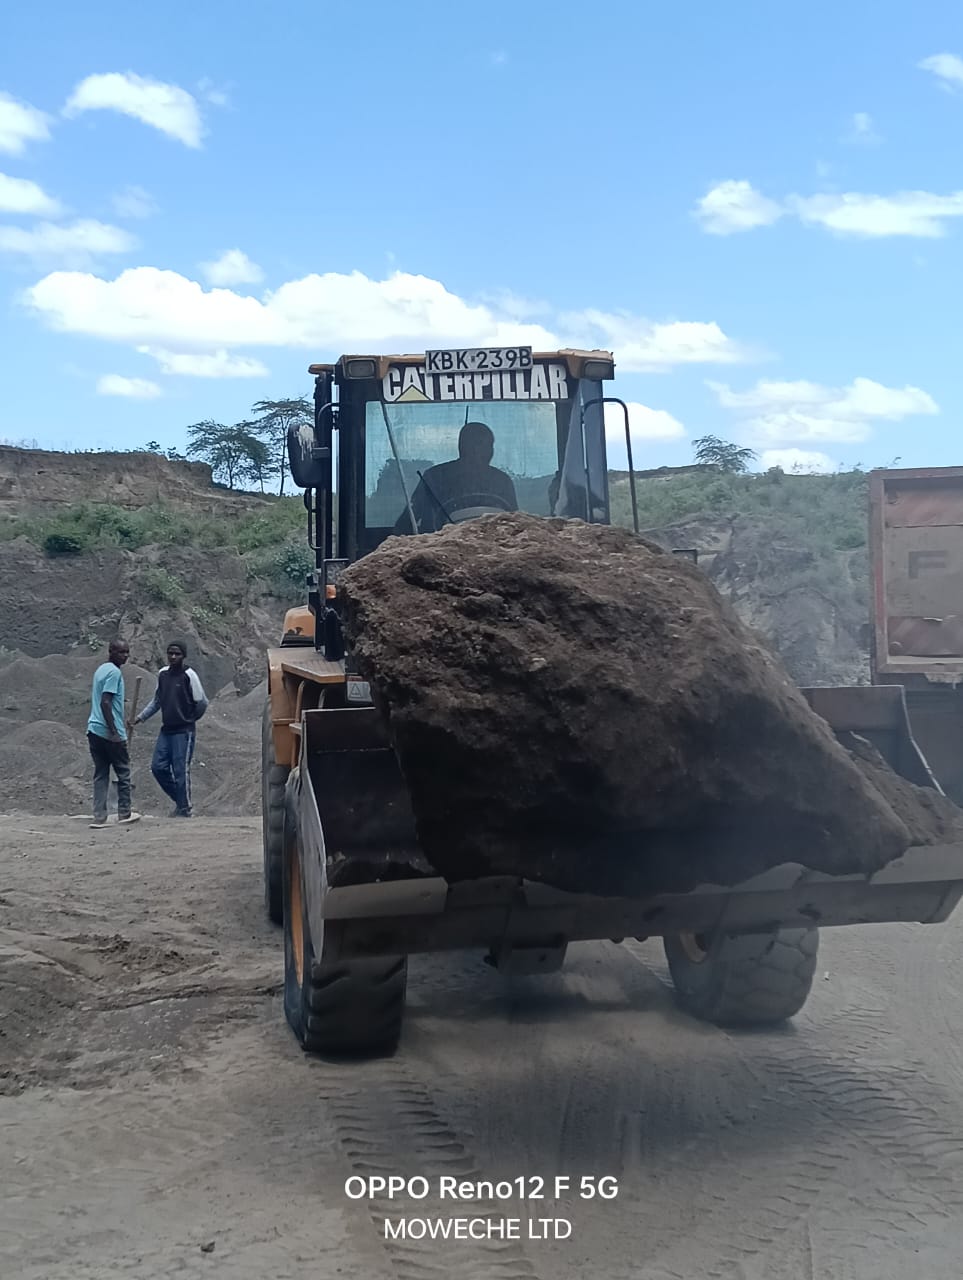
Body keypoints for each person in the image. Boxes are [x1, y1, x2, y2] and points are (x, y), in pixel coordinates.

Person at [393, 421, 518, 534]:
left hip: (496, 549)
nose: (480, 451)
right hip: (438, 548)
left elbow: (516, 524)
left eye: (487, 445)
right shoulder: (434, 478)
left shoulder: (502, 481)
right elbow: (405, 524)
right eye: (475, 444)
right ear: (461, 446)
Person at [134, 640, 209, 818]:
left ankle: (184, 809)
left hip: (184, 731)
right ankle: (182, 802)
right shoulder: (163, 675)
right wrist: (140, 717)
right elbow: (157, 701)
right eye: (170, 653)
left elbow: (202, 702)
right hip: (166, 730)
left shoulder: (189, 675)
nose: (173, 657)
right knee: (157, 767)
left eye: (177, 654)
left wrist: (190, 718)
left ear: (184, 656)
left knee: (180, 770)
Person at [87, 638, 140, 829]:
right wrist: (114, 731)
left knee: (101, 773)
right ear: (110, 652)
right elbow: (105, 702)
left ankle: (99, 815)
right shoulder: (114, 673)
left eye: (127, 652)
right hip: (108, 732)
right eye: (120, 652)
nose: (125, 656)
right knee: (123, 771)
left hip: (93, 730)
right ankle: (124, 812)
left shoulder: (101, 670)